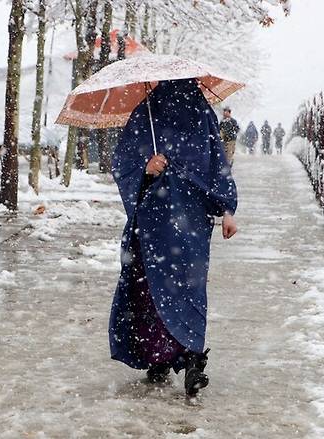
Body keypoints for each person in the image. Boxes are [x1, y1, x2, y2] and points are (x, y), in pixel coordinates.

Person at [110, 79, 238, 397]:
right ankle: (159, 355)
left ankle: (193, 358)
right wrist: (147, 168)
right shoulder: (146, 115)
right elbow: (123, 163)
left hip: (191, 221)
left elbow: (217, 165)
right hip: (153, 221)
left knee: (188, 289)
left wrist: (228, 207)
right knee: (153, 291)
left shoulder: (202, 116)